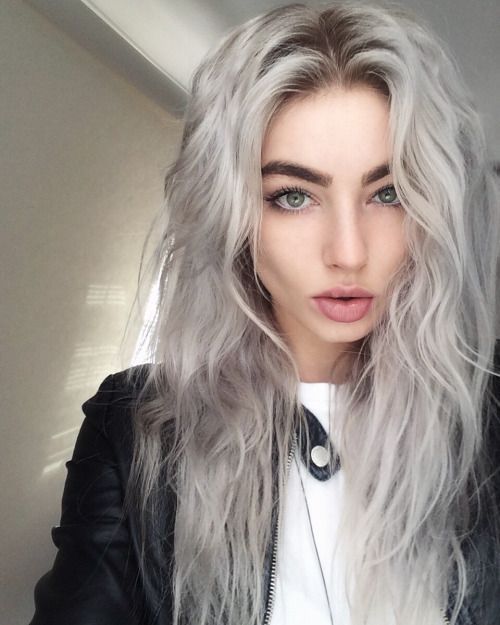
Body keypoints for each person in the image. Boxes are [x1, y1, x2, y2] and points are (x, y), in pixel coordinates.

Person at [29, 2, 500, 625]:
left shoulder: (485, 417)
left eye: (388, 193)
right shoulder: (136, 427)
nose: (349, 252)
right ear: (230, 216)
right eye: (294, 196)